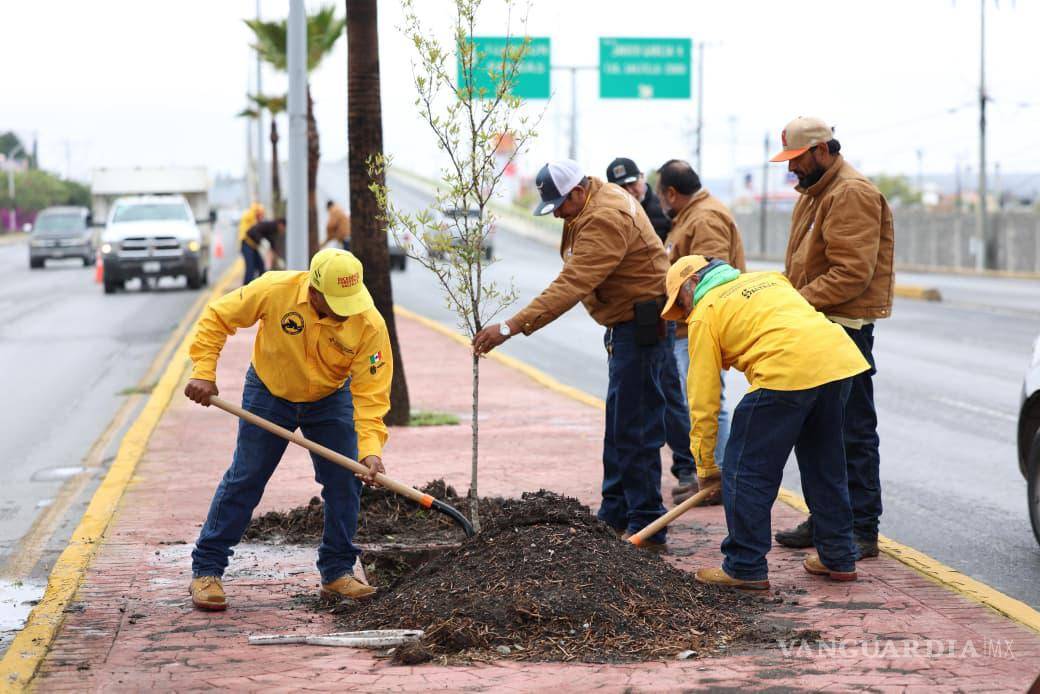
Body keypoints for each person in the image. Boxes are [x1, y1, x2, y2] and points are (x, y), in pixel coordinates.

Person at [473, 159, 672, 551]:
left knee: (636, 428)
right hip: (626, 324)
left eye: (561, 205)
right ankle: (614, 513)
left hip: (642, 327)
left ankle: (648, 524)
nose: (559, 214)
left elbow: (571, 284)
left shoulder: (604, 218)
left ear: (579, 191)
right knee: (619, 425)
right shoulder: (594, 199)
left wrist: (510, 327)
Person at [184, 248, 393, 610]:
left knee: (345, 481)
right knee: (246, 478)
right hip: (270, 391)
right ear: (313, 291)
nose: (346, 312)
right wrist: (204, 371)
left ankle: (337, 572)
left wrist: (370, 450)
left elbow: (371, 396)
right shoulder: (274, 289)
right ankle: (207, 569)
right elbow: (218, 316)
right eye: (336, 302)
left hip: (329, 398)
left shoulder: (369, 323)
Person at [660, 255, 870, 589]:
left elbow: (703, 400)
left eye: (682, 303)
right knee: (825, 464)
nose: (685, 314)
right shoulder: (770, 280)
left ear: (694, 283)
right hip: (836, 363)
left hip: (784, 372)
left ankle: (744, 566)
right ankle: (839, 556)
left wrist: (705, 467)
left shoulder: (707, 311)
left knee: (746, 472)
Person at [767, 117, 894, 560]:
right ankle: (827, 517)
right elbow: (804, 265)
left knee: (851, 431)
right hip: (820, 324)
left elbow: (850, 274)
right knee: (819, 431)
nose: (792, 170)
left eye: (797, 160)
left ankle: (861, 528)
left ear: (823, 150)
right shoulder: (817, 192)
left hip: (845, 331)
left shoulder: (850, 193)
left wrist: (794, 303)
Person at [655, 159, 747, 504]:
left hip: (698, 326)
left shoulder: (705, 217)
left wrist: (695, 322)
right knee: (695, 400)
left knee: (708, 400)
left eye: (662, 196)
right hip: (685, 327)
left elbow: (712, 279)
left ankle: (716, 476)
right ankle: (708, 473)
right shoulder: (690, 216)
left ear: (672, 193)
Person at [609, 156, 696, 506]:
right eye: (623, 188)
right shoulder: (615, 216)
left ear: (644, 181)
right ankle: (625, 494)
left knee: (671, 397)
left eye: (634, 184)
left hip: (661, 318)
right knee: (634, 406)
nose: (631, 191)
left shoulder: (661, 212)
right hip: (633, 319)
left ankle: (686, 466)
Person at [605, 157, 670, 242]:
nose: (629, 191)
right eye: (621, 187)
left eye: (631, 183)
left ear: (642, 177)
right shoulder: (609, 216)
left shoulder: (666, 207)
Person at [242, 218, 286, 284]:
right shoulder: (269, 225)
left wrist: (278, 259)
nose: (283, 230)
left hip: (254, 247)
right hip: (247, 245)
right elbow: (252, 231)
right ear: (280, 224)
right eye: (284, 228)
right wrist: (261, 240)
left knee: (261, 267)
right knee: (250, 267)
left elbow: (272, 245)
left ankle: (261, 284)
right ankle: (245, 287)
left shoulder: (274, 230)